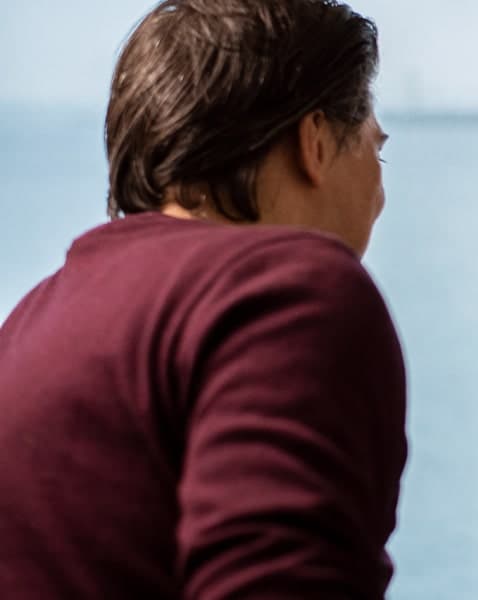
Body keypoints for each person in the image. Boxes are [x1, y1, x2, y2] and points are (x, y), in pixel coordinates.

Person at [0, 1, 406, 598]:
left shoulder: (28, 322)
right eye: (377, 149)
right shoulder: (287, 293)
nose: (380, 195)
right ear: (314, 142)